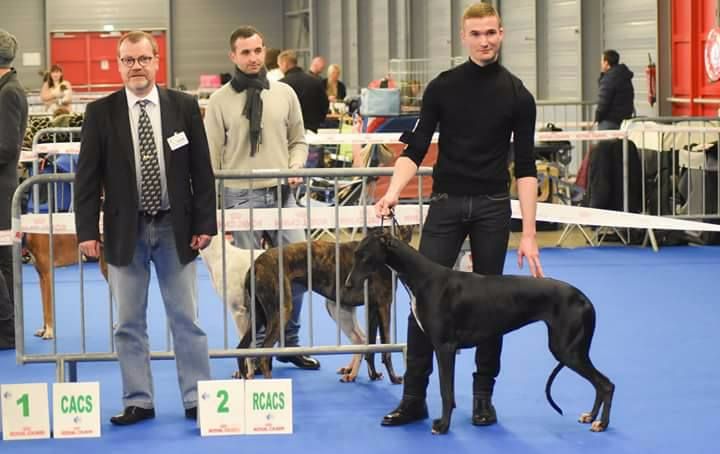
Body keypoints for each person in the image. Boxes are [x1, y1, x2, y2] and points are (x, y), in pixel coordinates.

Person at [374, 3, 544, 428]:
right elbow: (414, 150)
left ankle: (483, 396)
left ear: (501, 33)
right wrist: (393, 192)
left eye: (491, 32)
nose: (485, 40)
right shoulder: (442, 87)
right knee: (421, 303)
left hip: (491, 208)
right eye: (476, 33)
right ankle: (414, 397)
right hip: (446, 205)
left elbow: (525, 168)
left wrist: (528, 233)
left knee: (495, 306)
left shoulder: (518, 95)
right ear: (463, 37)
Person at [74, 31, 217, 425]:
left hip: (177, 230)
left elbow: (201, 171)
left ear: (157, 61)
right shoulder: (100, 113)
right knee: (128, 323)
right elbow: (86, 179)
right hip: (125, 232)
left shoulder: (184, 107)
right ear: (119, 65)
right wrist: (87, 231)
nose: (135, 66)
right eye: (127, 60)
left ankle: (197, 397)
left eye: (142, 58)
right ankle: (138, 400)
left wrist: (206, 223)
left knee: (186, 319)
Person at [203, 26, 319, 371]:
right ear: (233, 56)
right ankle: (254, 351)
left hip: (284, 195)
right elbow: (210, 158)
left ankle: (290, 343)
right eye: (245, 52)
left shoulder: (285, 94)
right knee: (248, 284)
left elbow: (299, 140)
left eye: (257, 51)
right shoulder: (219, 101)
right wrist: (212, 210)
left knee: (299, 273)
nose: (253, 58)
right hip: (240, 199)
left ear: (264, 51)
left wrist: (296, 165)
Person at [0, 29, 27, 350]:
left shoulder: (9, 93)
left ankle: (8, 332)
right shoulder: (8, 89)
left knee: (3, 263)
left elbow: (6, 148)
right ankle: (9, 330)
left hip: (2, 187)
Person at [278, 49, 329, 134]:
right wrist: (316, 123)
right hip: (312, 130)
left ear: (285, 64)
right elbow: (325, 105)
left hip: (288, 132)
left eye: (279, 65)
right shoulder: (315, 81)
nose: (280, 68)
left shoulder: (281, 85)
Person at [595, 49, 634, 130]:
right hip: (624, 121)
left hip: (610, 121)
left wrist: (597, 117)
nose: (601, 64)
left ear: (606, 62)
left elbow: (603, 101)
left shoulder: (609, 79)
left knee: (606, 142)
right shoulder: (624, 76)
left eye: (602, 61)